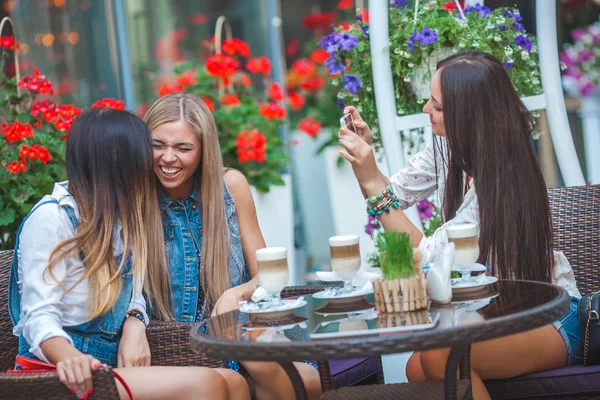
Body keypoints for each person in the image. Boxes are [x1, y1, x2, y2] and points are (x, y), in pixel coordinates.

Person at [337, 51, 582, 400]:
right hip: (502, 316)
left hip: (553, 319)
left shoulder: (501, 180)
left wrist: (373, 185)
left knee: (443, 356)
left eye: (436, 105)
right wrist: (367, 158)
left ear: (466, 116)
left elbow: (428, 260)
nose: (425, 109)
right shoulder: (450, 149)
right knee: (415, 366)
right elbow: (394, 194)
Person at [8, 108, 249, 400]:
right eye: (144, 153)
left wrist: (135, 321)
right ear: (118, 163)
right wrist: (69, 357)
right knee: (207, 384)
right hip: (56, 371)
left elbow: (132, 292)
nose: (151, 163)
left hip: (108, 363)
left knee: (234, 382)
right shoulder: (52, 218)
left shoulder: (121, 217)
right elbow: (37, 317)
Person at [143, 92, 321, 400]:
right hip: (175, 350)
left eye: (183, 148)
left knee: (308, 379)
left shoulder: (231, 187)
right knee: (270, 374)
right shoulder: (136, 199)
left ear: (203, 150)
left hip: (239, 333)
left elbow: (267, 274)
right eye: (158, 145)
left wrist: (235, 293)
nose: (168, 158)